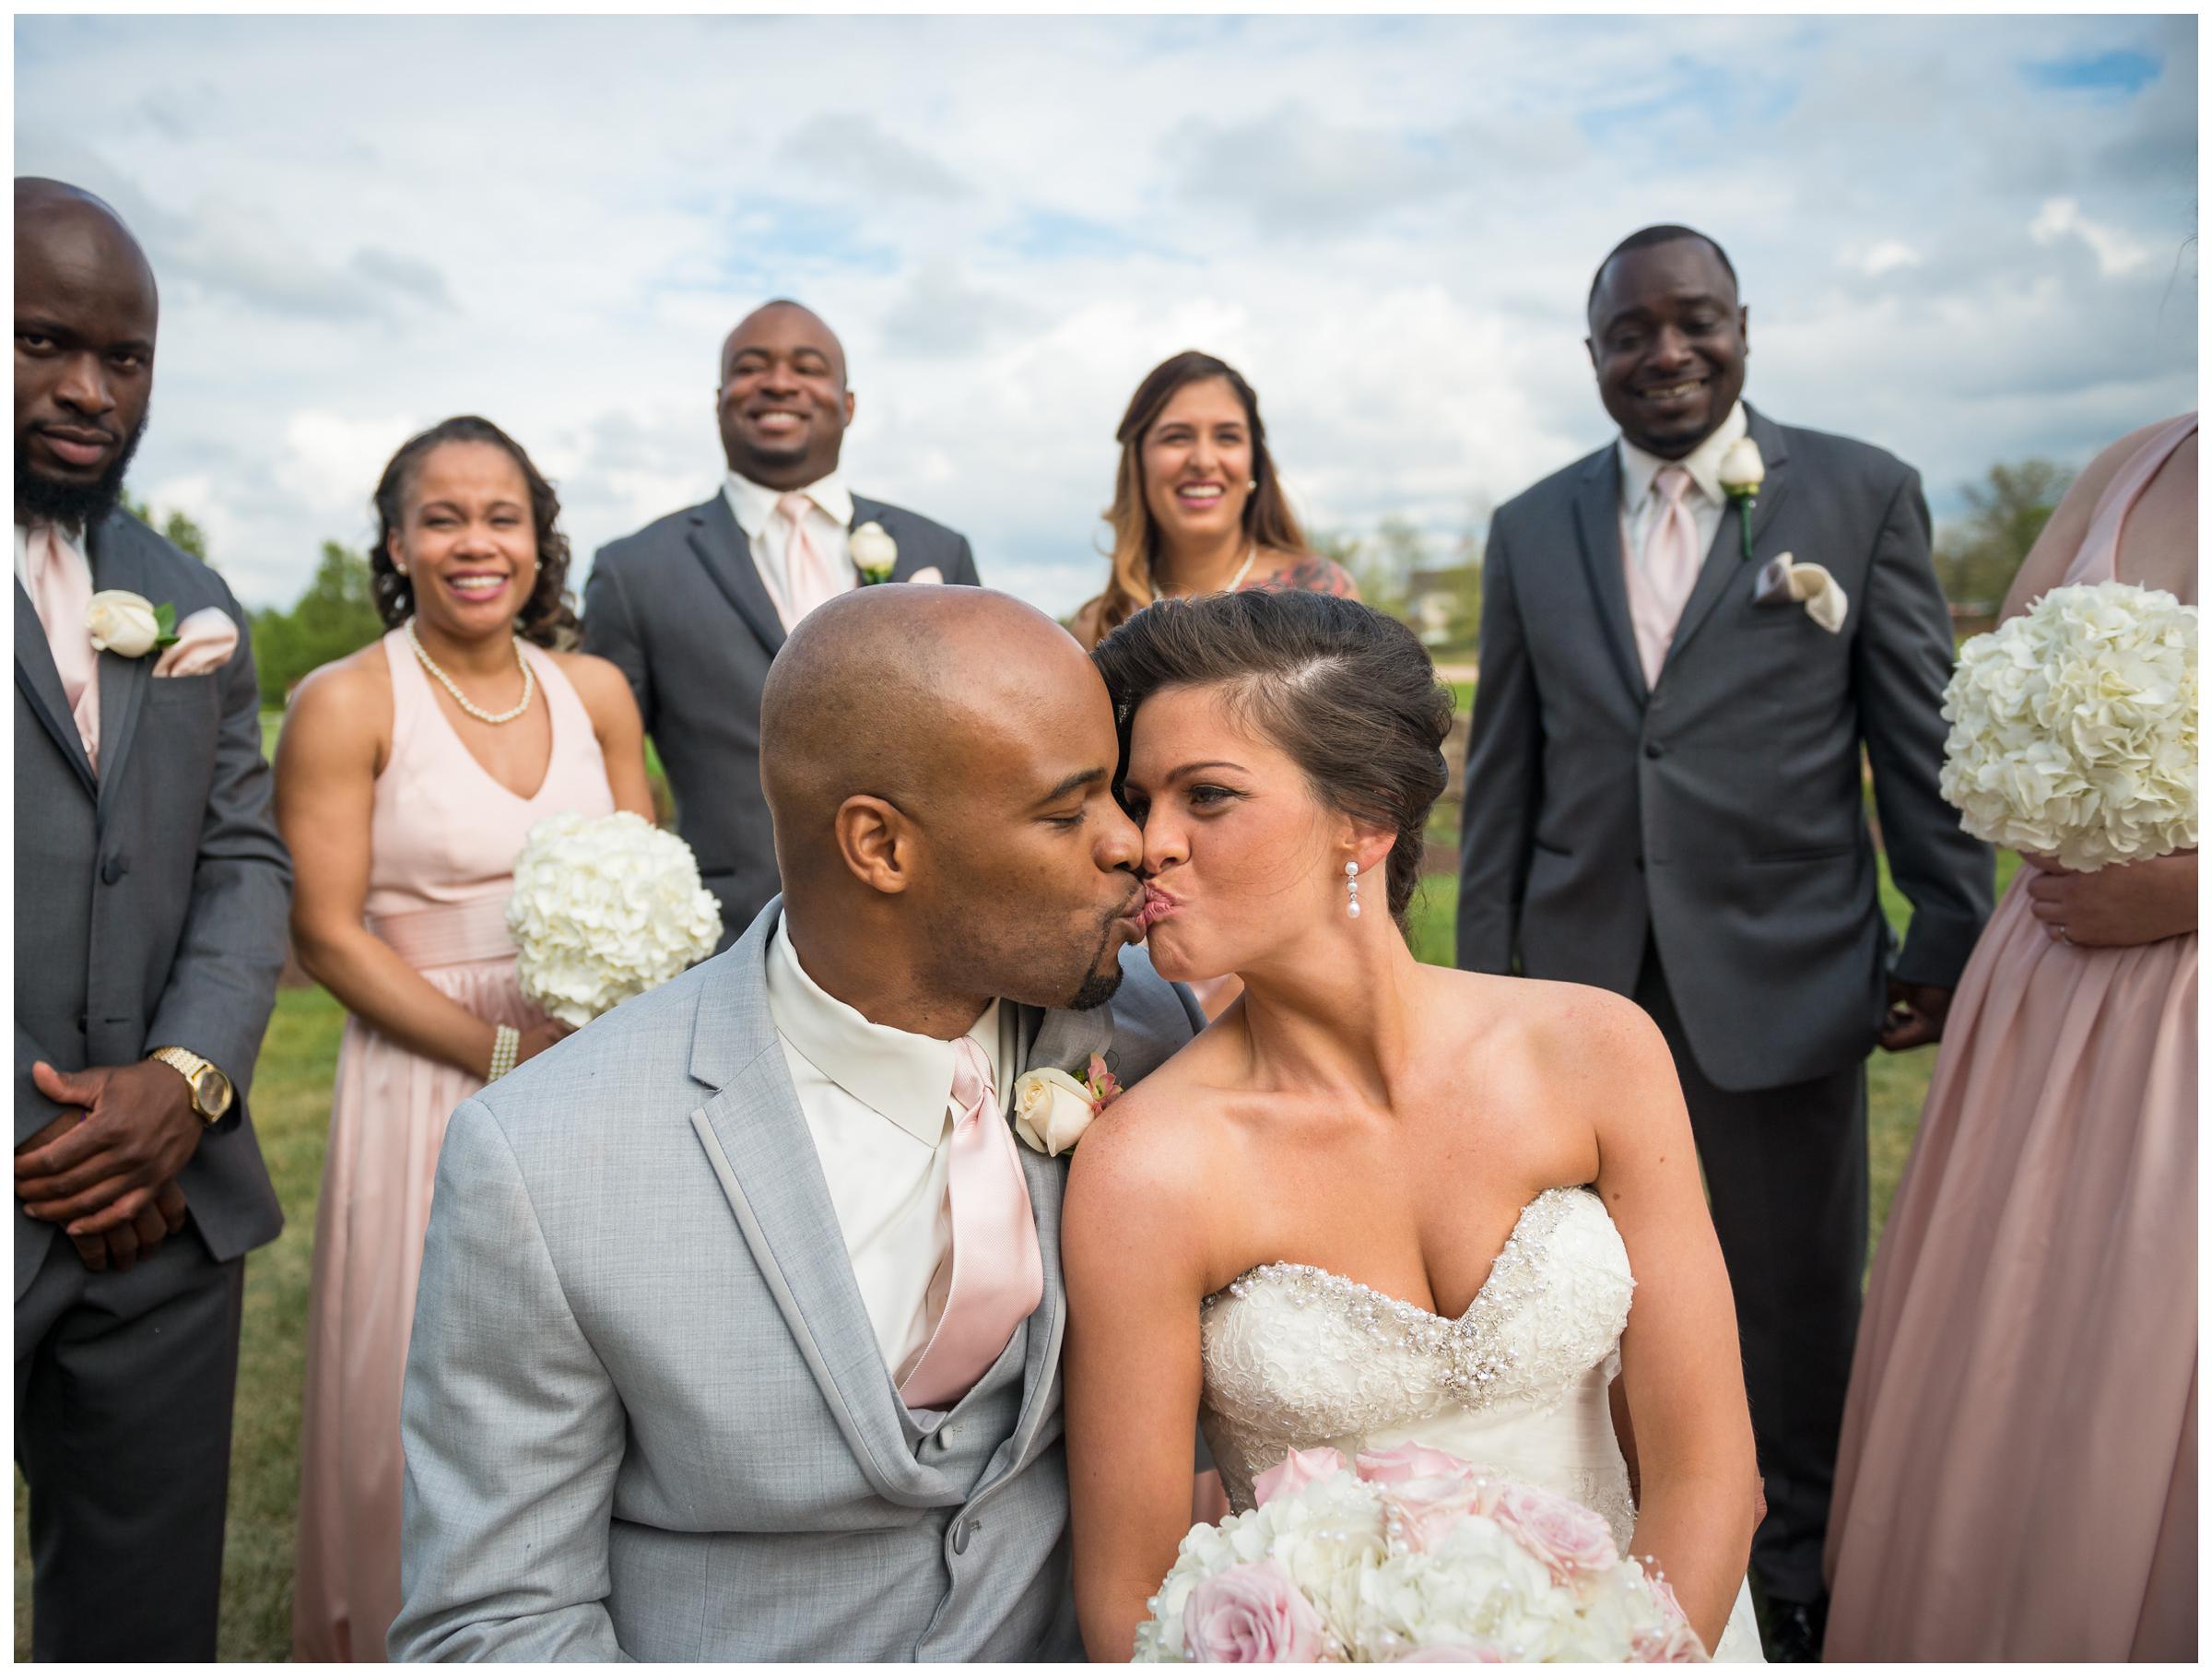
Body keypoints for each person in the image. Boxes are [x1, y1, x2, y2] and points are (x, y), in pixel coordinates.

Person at [388, 585, 1204, 1660]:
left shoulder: (1152, 1039)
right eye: (1068, 810)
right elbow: (494, 1622)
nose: (1133, 843)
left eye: (1119, 792)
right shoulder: (546, 1158)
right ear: (880, 846)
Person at [1452, 224, 1993, 1659]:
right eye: (1631, 333)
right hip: (1578, 987)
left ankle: (1799, 1567)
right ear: (1593, 359)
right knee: (1579, 1289)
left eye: (1694, 322)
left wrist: (1946, 921)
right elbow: (1504, 778)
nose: (1666, 352)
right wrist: (1495, 993)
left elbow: (1918, 725)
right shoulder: (1530, 526)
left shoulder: (1861, 494)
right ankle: (1615, 1543)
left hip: (1783, 977)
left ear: (1744, 327)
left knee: (1791, 1296)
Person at [1068, 588, 1765, 1659]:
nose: (1148, 842)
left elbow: (1709, 1474)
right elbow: (1129, 1596)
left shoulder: (1596, 1053)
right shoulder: (1148, 1167)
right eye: (1137, 798)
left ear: (1365, 819)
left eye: (1206, 796)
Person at [276, 415, 653, 1659]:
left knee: (599, 1374)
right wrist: (497, 1055)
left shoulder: (594, 690)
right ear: (397, 541)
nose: (474, 542)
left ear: (541, 542)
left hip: (592, 1074)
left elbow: (644, 883)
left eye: (502, 516)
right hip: (426, 1077)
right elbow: (330, 934)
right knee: (413, 1380)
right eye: (442, 517)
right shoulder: (344, 701)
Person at [1824, 414, 2198, 1662]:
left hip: (2182, 1010)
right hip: (2049, 979)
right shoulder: (2131, 464)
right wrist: (2038, 790)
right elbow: (1989, 689)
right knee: (2016, 1335)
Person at [12, 177, 293, 1660]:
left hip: (167, 1219)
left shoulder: (189, 596)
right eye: (41, 339)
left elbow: (246, 860)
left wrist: (180, 1089)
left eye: (124, 359)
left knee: (137, 1626)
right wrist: (66, 1142)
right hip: (63, 1166)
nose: (86, 389)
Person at [584, 299, 981, 948]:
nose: (778, 381)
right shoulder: (635, 572)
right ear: (719, 400)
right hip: (725, 938)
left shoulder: (939, 548)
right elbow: (601, 776)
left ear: (847, 404)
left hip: (926, 927)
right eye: (751, 366)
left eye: (807, 366)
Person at [1068, 349, 1355, 653]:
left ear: (1254, 464)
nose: (1203, 461)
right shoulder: (1099, 627)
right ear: (1138, 463)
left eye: (1227, 437)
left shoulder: (1322, 592)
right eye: (1177, 437)